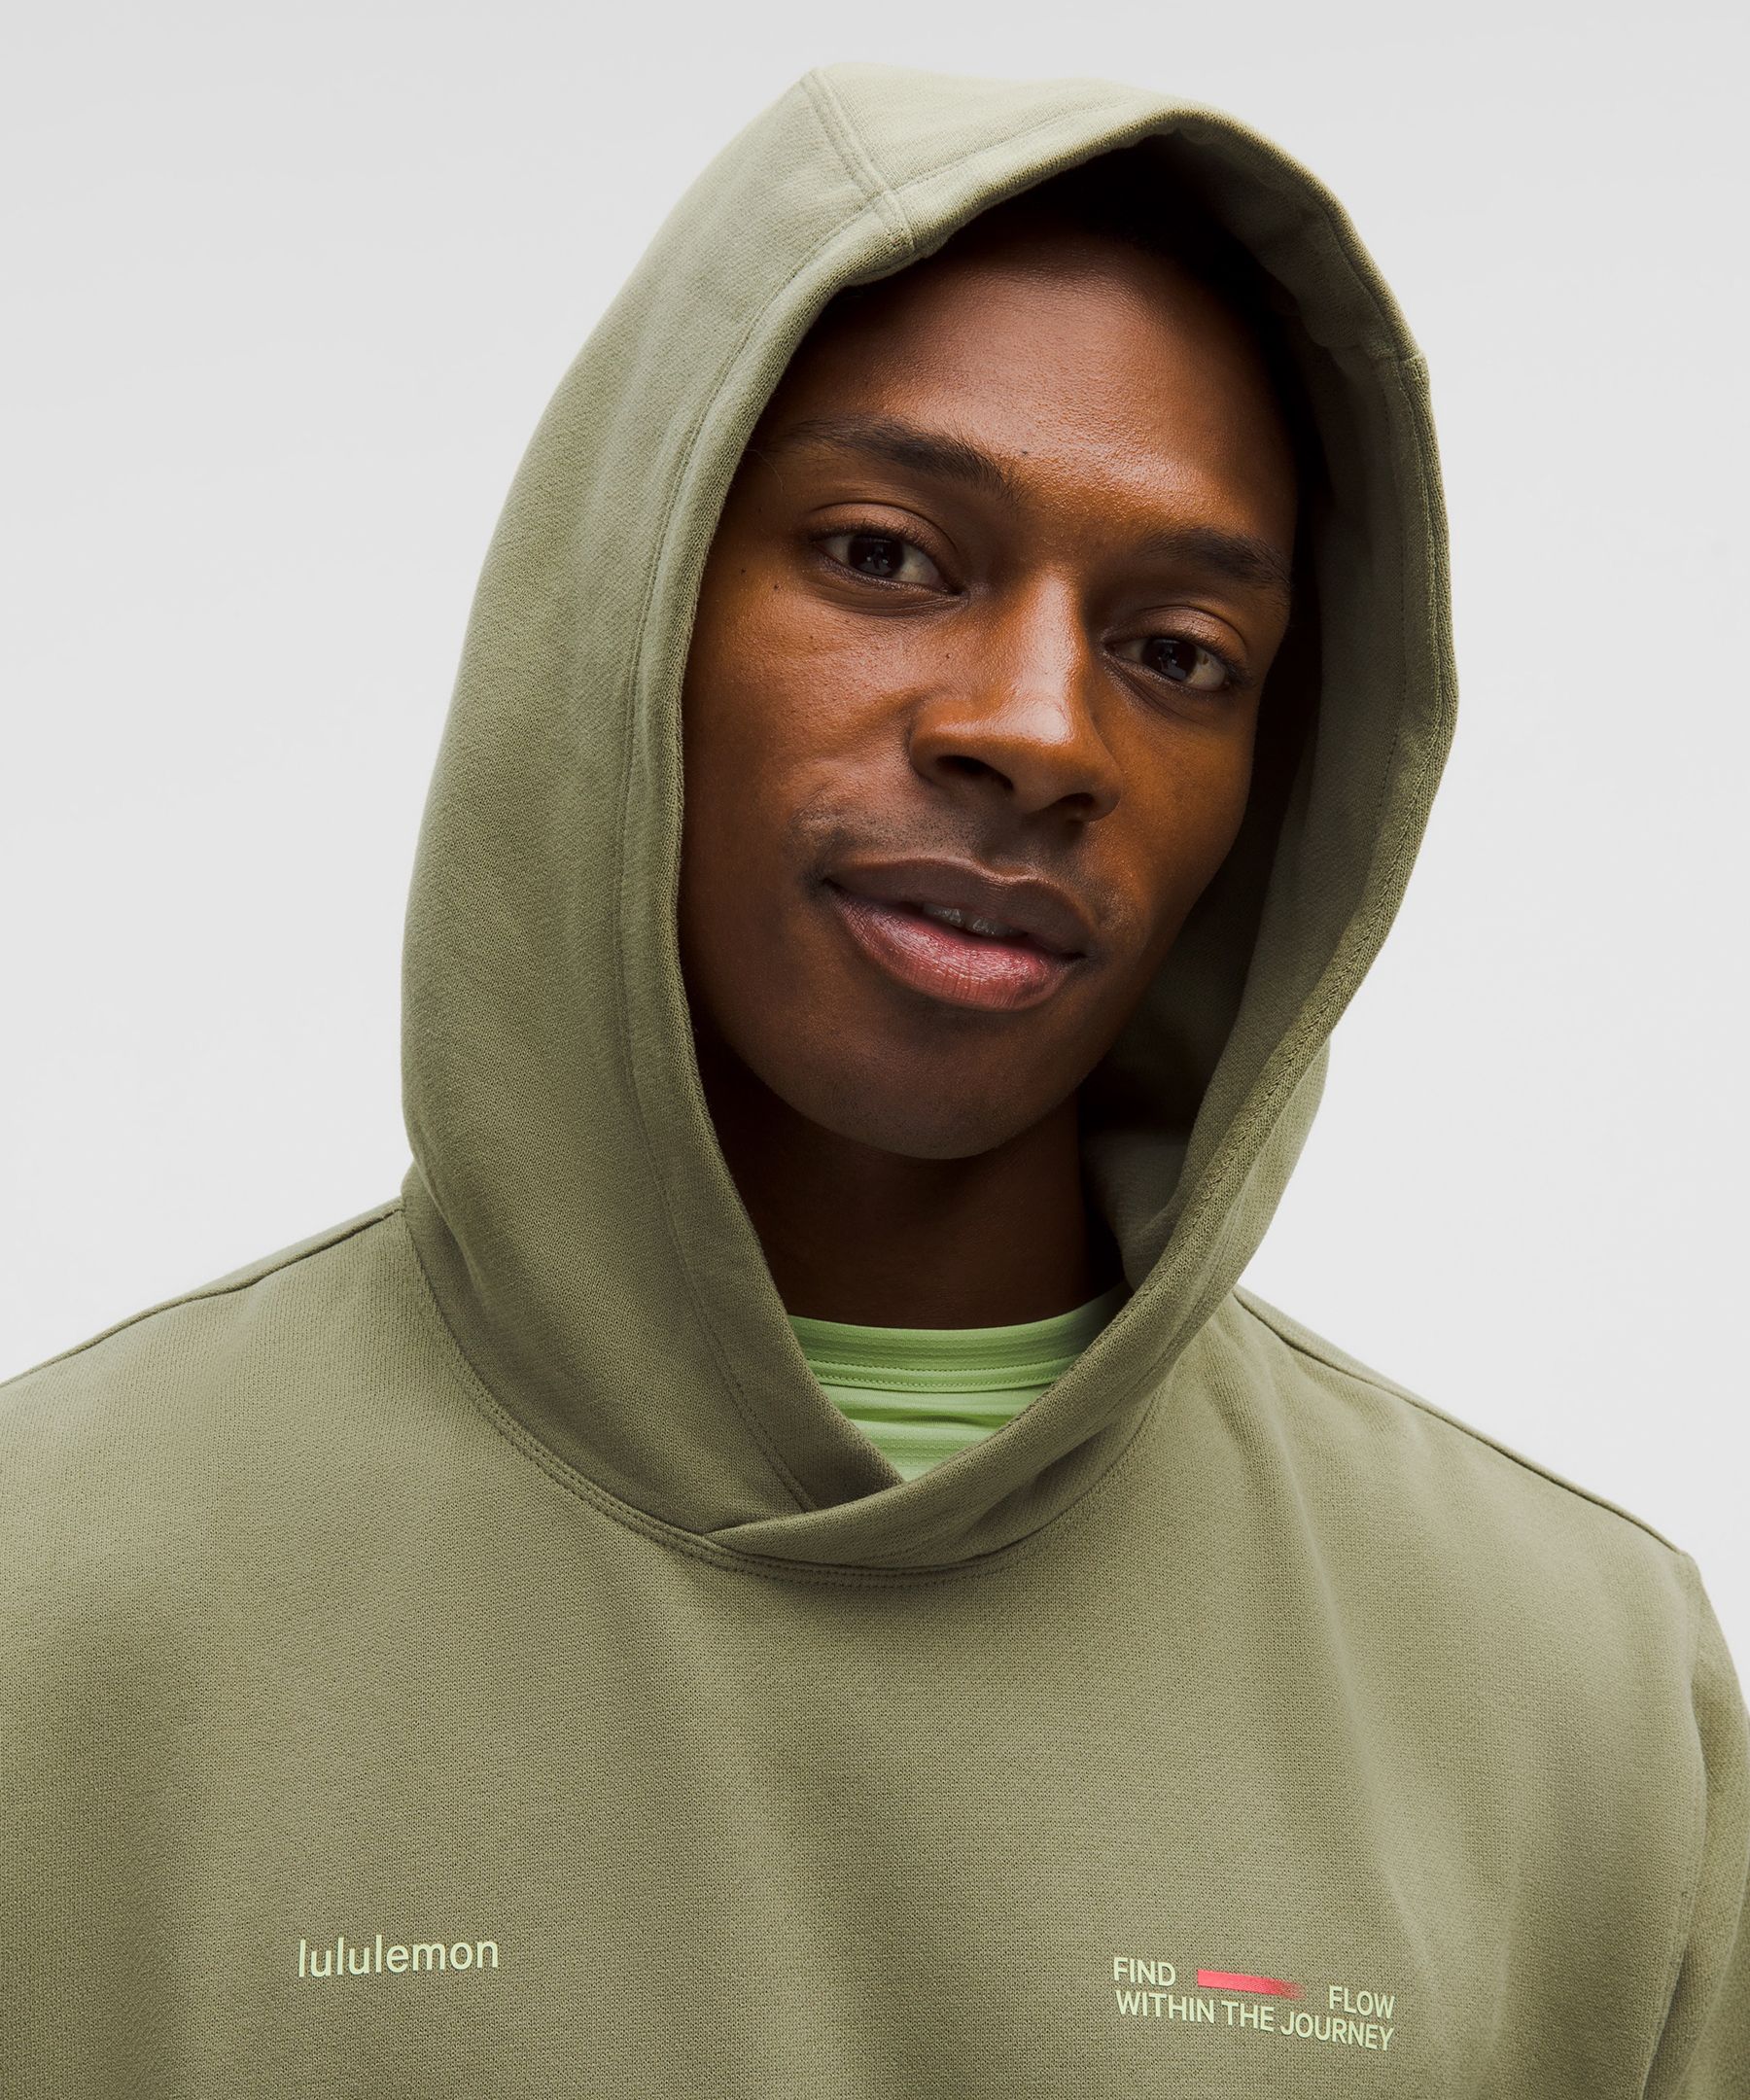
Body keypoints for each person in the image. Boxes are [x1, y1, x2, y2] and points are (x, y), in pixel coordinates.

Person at [3, 59, 1744, 2099]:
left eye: (1180, 650)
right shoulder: (57, 1595)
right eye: (887, 554)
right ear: (628, 607)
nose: (1041, 730)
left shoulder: (1578, 1699)